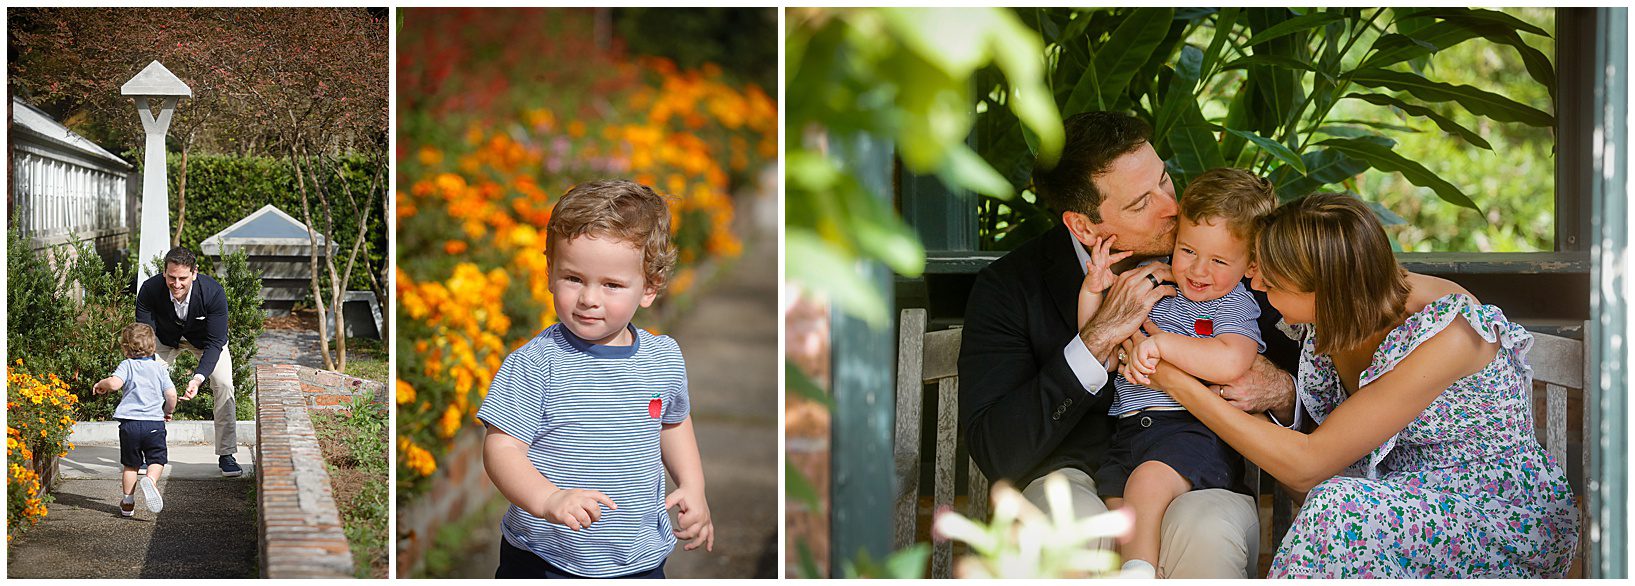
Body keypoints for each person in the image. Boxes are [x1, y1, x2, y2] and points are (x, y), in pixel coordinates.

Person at [1140, 193, 1580, 577]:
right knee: (1337, 505)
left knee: (1338, 510)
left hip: (1499, 519)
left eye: (1270, 283)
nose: (1254, 284)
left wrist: (1176, 383)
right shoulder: (1337, 317)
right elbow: (1317, 471)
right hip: (1397, 506)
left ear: (1325, 290)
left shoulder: (1448, 331)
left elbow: (1307, 465)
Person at [958, 111, 1301, 577]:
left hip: (1196, 472)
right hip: (1072, 477)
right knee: (1060, 526)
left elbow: (1313, 380)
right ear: (1083, 227)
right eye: (1142, 203)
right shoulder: (1010, 287)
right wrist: (1098, 335)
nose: (1171, 208)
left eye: (1164, 180)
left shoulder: (1220, 252)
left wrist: (1280, 391)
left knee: (1208, 530)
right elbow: (996, 450)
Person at [477, 179, 714, 579]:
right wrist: (548, 498)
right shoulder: (536, 364)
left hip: (638, 555)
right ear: (550, 273)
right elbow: (501, 448)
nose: (589, 298)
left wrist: (693, 485)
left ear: (649, 288)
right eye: (573, 278)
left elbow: (673, 422)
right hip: (546, 555)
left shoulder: (663, 359)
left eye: (611, 285)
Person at [1077, 168, 1275, 576]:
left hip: (1191, 432)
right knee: (1119, 509)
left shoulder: (1232, 303)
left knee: (1147, 484)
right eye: (1188, 251)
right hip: (1129, 433)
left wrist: (1162, 345)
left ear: (1250, 263)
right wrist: (1092, 291)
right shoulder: (1155, 285)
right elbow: (1103, 351)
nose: (1199, 270)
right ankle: (1140, 568)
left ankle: (1137, 573)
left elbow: (1232, 360)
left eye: (1218, 260)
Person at [135, 246, 242, 477]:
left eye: (182, 278)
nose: (176, 284)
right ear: (164, 273)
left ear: (194, 273)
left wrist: (198, 378)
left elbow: (216, 342)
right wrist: (159, 379)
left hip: (205, 342)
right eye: (171, 277)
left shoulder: (213, 292)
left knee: (224, 384)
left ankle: (226, 454)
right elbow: (144, 336)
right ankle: (147, 452)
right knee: (144, 381)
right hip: (164, 339)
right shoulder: (149, 290)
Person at [92, 323, 179, 518]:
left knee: (130, 465)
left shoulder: (127, 365)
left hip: (130, 425)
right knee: (157, 459)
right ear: (153, 346)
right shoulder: (159, 368)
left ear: (126, 348)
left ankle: (127, 503)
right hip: (154, 424)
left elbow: (114, 384)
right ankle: (151, 480)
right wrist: (168, 411)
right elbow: (171, 395)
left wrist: (101, 384)